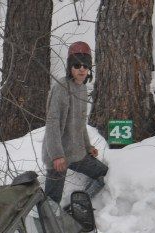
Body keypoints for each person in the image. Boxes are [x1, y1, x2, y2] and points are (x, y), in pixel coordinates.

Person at [42, 41, 108, 204]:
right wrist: (57, 155)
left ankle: (78, 205)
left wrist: (88, 147)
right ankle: (49, 219)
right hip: (58, 155)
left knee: (103, 173)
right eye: (77, 65)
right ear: (70, 67)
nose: (82, 69)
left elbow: (80, 124)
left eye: (85, 66)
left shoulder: (82, 88)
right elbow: (52, 124)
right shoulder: (61, 88)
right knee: (52, 201)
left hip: (75, 152)